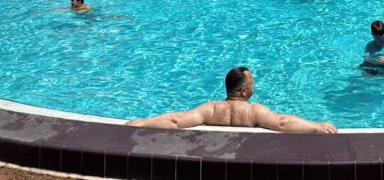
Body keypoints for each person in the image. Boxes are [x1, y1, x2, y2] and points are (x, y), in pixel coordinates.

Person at [125, 67, 337, 133]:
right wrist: (316, 126)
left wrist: (143, 122)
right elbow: (282, 122)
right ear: (243, 92)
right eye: (252, 84)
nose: (254, 87)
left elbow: (176, 120)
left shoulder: (211, 109)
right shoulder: (253, 111)